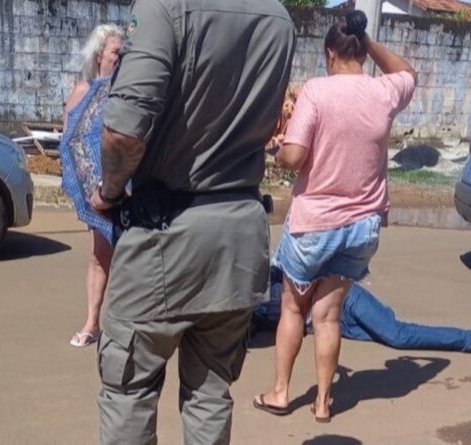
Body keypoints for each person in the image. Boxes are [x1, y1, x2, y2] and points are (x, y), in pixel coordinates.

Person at [89, 1, 295, 444]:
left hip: (165, 230)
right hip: (239, 234)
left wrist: (109, 192)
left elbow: (123, 132)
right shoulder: (279, 18)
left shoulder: (164, 7)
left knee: (129, 388)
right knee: (210, 392)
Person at [253, 10, 419, 423]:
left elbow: (295, 156)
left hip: (315, 224)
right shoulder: (384, 92)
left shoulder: (316, 92)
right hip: (362, 228)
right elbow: (408, 73)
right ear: (362, 52)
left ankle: (280, 393)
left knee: (294, 308)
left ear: (329, 53)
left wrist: (276, 152)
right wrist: (367, 40)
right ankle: (323, 402)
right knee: (328, 316)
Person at [252, 266, 471, 360]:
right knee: (390, 337)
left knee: (398, 335)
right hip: (333, 326)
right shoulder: (251, 310)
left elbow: (302, 268)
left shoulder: (269, 270)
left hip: (343, 299)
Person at [58, 24, 123, 348]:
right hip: (97, 187)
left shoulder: (130, 92)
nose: (120, 58)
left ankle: (126, 325)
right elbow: (71, 139)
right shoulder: (84, 91)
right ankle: (92, 323)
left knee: (132, 259)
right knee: (100, 255)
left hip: (129, 185)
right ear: (99, 56)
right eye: (116, 52)